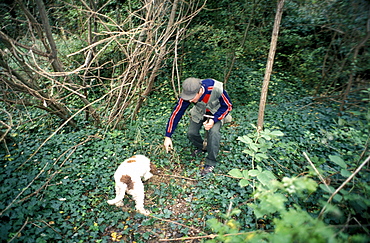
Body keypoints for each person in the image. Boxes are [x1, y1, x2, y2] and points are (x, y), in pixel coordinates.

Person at [164, 78, 232, 175]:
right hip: (199, 112)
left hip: (216, 112)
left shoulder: (215, 89)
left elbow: (228, 106)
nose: (190, 100)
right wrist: (168, 136)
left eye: (192, 97)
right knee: (192, 133)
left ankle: (211, 161)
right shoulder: (187, 94)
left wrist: (214, 119)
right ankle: (202, 147)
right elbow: (176, 113)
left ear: (200, 91)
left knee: (214, 133)